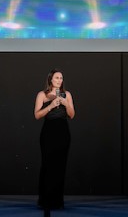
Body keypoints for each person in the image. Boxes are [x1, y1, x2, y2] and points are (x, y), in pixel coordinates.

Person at [34, 69, 75, 214]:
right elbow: (37, 115)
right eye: (57, 78)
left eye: (61, 78)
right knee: (48, 164)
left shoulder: (67, 94)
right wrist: (50, 106)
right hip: (48, 132)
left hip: (63, 132)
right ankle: (45, 200)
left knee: (60, 165)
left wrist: (66, 104)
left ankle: (58, 200)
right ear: (51, 79)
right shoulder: (42, 94)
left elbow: (72, 115)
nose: (59, 80)